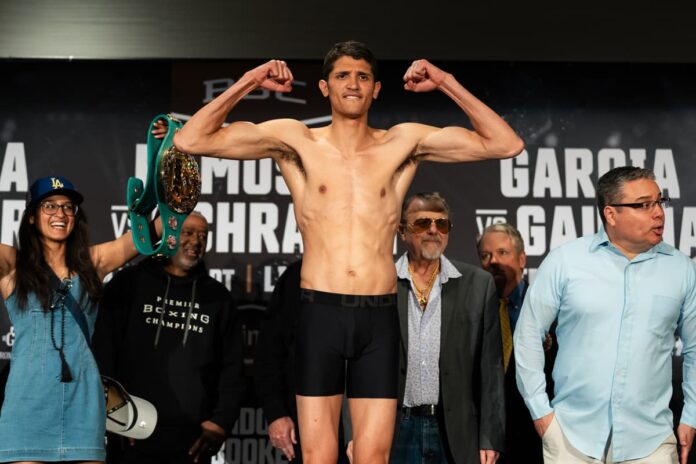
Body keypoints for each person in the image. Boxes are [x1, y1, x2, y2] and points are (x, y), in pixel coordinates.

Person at [173, 40, 523, 463]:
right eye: (342, 75)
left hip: (378, 315)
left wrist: (445, 82)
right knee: (319, 458)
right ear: (325, 87)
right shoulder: (295, 140)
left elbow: (505, 144)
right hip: (320, 313)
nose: (352, 84)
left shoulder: (402, 142)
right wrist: (250, 80)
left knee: (372, 458)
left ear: (376, 89)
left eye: (362, 76)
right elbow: (192, 139)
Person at [514, 166, 696, 464]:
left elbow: (695, 348)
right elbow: (527, 336)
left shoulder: (682, 269)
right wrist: (542, 415)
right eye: (643, 205)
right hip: (571, 439)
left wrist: (691, 415)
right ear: (610, 214)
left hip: (651, 443)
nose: (659, 213)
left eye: (659, 202)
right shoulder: (565, 261)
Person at [0, 175, 148, 463]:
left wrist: (170, 153)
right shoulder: (13, 265)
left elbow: (147, 235)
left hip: (84, 404)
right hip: (27, 408)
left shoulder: (94, 263)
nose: (60, 214)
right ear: (31, 217)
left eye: (68, 207)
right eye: (50, 206)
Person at [92, 211, 244, 464]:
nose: (196, 241)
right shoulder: (129, 283)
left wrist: (219, 423)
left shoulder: (218, 298)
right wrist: (113, 411)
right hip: (130, 428)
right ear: (168, 235)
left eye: (203, 235)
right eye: (188, 232)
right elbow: (102, 350)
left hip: (191, 439)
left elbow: (232, 368)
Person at [391, 192, 504, 464]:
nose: (433, 230)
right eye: (422, 223)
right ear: (402, 230)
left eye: (442, 224)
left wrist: (490, 435)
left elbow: (491, 369)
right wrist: (354, 432)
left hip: (455, 431)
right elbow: (356, 368)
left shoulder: (478, 284)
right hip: (394, 430)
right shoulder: (381, 282)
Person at [477, 222, 553, 463]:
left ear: (522, 259)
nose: (493, 261)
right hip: (487, 442)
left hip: (537, 436)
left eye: (502, 253)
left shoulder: (549, 309)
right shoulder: (472, 313)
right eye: (485, 255)